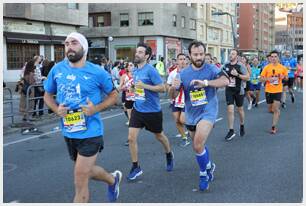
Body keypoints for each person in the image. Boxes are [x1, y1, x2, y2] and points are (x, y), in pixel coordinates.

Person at [43, 32, 122, 203]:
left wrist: (96, 109)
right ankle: (112, 180)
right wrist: (57, 110)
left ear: (84, 48)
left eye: (74, 43)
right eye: (66, 43)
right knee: (87, 171)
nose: (69, 46)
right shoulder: (57, 69)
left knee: (80, 177)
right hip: (69, 131)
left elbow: (114, 95)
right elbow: (47, 95)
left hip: (91, 132)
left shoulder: (97, 72)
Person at [170, 40, 229, 191]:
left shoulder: (211, 69)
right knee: (199, 146)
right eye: (196, 54)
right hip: (191, 113)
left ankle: (203, 174)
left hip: (208, 111)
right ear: (190, 55)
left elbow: (225, 80)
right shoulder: (183, 73)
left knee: (197, 144)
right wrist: (174, 87)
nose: (199, 57)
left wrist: (206, 83)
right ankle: (209, 165)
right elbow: (172, 94)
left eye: (201, 54)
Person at [127, 42, 174, 181]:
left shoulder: (151, 70)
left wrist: (144, 86)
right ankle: (136, 166)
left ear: (147, 56)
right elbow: (138, 88)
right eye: (137, 52)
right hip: (138, 109)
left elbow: (162, 88)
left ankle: (169, 153)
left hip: (152, 110)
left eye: (140, 52)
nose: (137, 54)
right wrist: (133, 89)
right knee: (131, 138)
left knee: (159, 136)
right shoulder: (135, 70)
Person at [223, 49, 250, 141]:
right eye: (230, 54)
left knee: (240, 110)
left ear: (237, 56)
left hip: (239, 90)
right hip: (229, 90)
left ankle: (242, 125)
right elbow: (219, 74)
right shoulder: (226, 65)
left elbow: (247, 77)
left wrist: (237, 74)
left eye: (233, 54)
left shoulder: (241, 66)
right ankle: (231, 130)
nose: (231, 55)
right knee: (230, 110)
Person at [260, 50, 288, 134]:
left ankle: (273, 126)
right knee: (270, 109)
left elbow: (286, 78)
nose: (274, 58)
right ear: (270, 58)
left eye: (275, 57)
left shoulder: (282, 68)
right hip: (268, 90)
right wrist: (269, 79)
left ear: (278, 58)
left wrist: (283, 77)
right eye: (272, 57)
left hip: (278, 90)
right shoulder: (267, 67)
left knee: (276, 109)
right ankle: (276, 112)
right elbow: (261, 78)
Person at [167, 53, 190, 147]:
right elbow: (167, 85)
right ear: (177, 61)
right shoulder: (173, 73)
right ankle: (184, 138)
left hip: (187, 100)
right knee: (177, 120)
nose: (182, 61)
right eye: (180, 59)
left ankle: (192, 127)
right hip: (176, 100)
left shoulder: (189, 72)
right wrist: (171, 88)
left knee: (182, 120)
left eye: (184, 59)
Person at [119, 62, 136, 146]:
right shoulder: (124, 76)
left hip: (137, 98)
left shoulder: (137, 75)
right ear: (126, 68)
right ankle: (130, 139)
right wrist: (126, 87)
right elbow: (120, 87)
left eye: (131, 65)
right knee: (131, 119)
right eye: (129, 65)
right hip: (128, 97)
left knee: (134, 119)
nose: (130, 67)